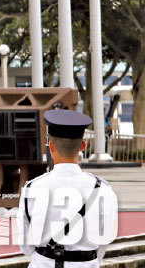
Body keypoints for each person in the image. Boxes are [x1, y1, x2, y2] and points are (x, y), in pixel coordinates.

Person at [18, 109, 119, 268]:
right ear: (83, 146)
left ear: (50, 146)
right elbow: (103, 243)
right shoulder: (103, 190)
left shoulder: (32, 189)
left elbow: (26, 247)